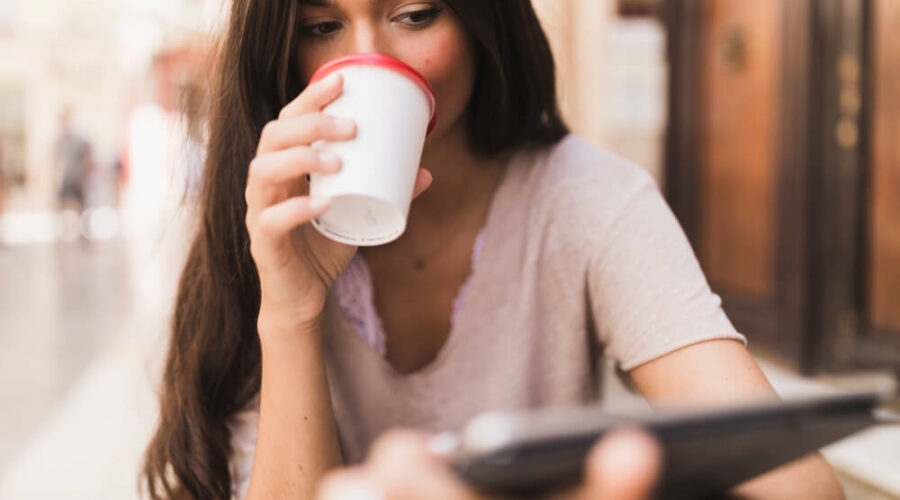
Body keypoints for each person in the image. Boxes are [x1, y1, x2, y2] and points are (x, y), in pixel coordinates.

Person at [142, 1, 845, 499]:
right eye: (322, 27)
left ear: (483, 21)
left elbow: (801, 488)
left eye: (416, 14)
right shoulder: (270, 221)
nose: (371, 59)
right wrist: (290, 310)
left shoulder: (588, 201)